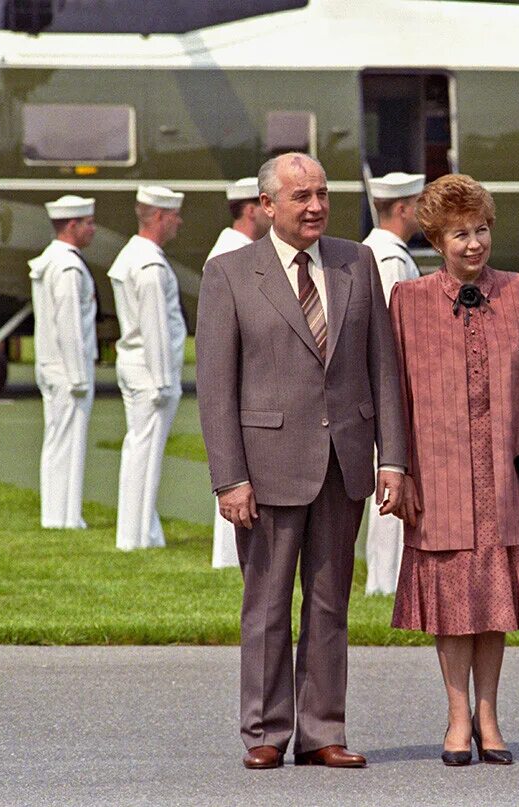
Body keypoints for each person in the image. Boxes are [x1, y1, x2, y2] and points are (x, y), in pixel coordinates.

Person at [195, 152, 407, 770]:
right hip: (264, 471)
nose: (315, 206)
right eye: (300, 197)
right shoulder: (228, 274)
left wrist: (391, 459)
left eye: (321, 194)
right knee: (265, 607)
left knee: (329, 603)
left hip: (344, 465)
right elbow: (215, 388)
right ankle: (264, 731)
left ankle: (322, 732)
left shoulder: (356, 261)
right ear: (267, 206)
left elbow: (382, 368)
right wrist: (229, 477)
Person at [389, 173, 519, 766]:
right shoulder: (409, 301)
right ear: (436, 240)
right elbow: (396, 396)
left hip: (503, 475)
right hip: (435, 478)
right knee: (452, 604)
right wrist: (399, 470)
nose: (474, 243)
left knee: (492, 602)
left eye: (482, 229)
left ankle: (489, 717)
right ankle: (455, 721)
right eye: (460, 234)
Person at [108, 185, 186, 551]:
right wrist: (163, 382)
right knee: (146, 453)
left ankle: (142, 531)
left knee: (139, 449)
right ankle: (136, 536)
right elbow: (156, 327)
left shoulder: (132, 254)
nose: (178, 223)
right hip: (150, 371)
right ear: (158, 216)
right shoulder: (151, 264)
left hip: (135, 365)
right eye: (173, 216)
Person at [362, 170, 424, 595]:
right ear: (402, 208)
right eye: (417, 204)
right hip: (391, 390)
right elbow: (391, 335)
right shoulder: (390, 258)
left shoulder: (378, 250)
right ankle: (385, 583)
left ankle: (387, 580)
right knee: (391, 484)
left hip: (383, 389)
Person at [205, 176, 272, 569]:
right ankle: (228, 558)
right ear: (252, 210)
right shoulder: (233, 258)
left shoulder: (234, 250)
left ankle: (228, 557)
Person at [28, 194, 98, 529]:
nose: (92, 229)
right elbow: (69, 325)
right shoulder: (68, 266)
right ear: (72, 225)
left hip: (51, 365)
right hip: (69, 369)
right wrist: (79, 377)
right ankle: (66, 517)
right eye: (88, 223)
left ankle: (56, 515)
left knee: (58, 443)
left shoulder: (51, 260)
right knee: (68, 445)